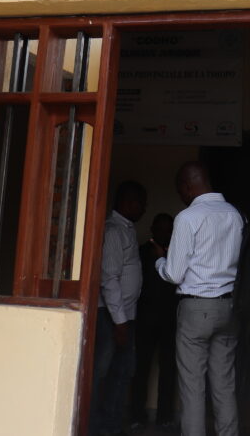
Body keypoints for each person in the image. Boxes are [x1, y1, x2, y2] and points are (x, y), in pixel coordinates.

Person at [153, 162, 244, 436]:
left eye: (180, 190)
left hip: (196, 308)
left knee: (193, 388)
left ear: (186, 186)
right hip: (229, 307)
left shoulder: (188, 218)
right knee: (224, 385)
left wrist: (159, 259)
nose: (180, 196)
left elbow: (174, 273)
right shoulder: (235, 215)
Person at [90, 181, 146, 436]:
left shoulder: (127, 229)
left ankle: (111, 425)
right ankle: (95, 426)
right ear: (123, 201)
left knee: (122, 372)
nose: (141, 207)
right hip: (111, 317)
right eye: (137, 201)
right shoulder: (113, 230)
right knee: (103, 372)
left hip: (125, 316)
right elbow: (109, 279)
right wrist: (120, 322)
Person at [130, 213, 179, 428]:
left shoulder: (177, 255)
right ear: (152, 229)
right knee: (141, 369)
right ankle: (136, 417)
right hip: (146, 319)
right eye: (160, 229)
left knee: (168, 370)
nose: (164, 233)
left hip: (171, 320)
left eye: (168, 230)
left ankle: (165, 417)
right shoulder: (141, 253)